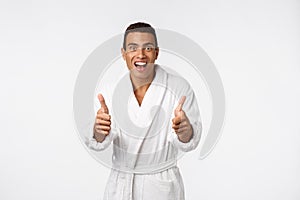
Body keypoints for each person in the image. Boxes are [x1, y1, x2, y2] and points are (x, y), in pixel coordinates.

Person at [88, 22, 202, 200]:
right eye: (133, 48)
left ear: (156, 52)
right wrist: (98, 131)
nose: (140, 55)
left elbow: (189, 141)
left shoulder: (178, 88)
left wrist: (185, 131)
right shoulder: (109, 90)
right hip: (121, 185)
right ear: (123, 54)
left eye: (147, 48)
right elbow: (98, 141)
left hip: (160, 187)